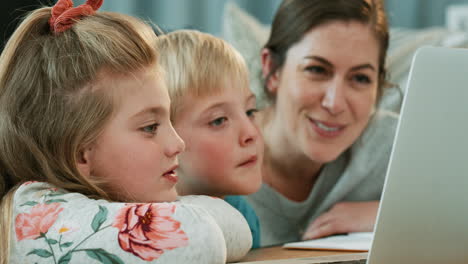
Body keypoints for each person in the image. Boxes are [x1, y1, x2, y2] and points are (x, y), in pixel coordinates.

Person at [0, 1, 252, 263]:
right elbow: (202, 237)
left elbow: (236, 228)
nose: (178, 144)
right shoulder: (38, 218)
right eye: (150, 127)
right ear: (80, 154)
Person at [246, 0, 399, 246]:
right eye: (316, 70)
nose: (335, 103)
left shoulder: (396, 144)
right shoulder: (210, 156)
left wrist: (389, 215)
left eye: (360, 78)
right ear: (272, 69)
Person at [155, 30, 264, 248]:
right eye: (218, 120)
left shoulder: (242, 216)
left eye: (250, 111)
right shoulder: (148, 226)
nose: (250, 133)